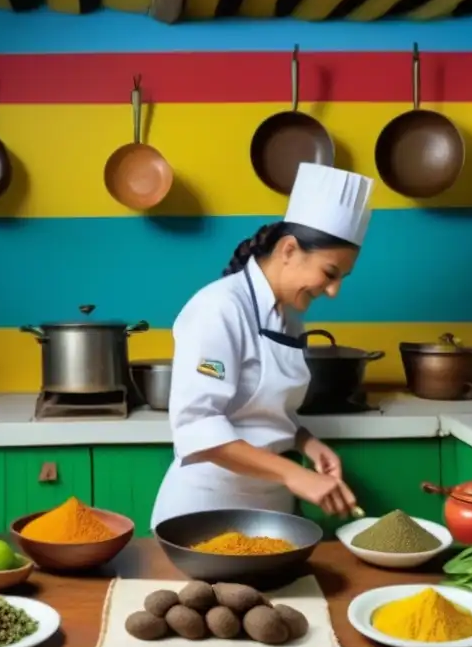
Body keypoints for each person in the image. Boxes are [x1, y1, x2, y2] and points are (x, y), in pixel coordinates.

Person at [151, 163, 373, 528]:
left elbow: (263, 411)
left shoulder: (289, 315)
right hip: (206, 511)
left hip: (272, 513)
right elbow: (197, 425)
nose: (333, 291)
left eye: (341, 279)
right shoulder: (218, 308)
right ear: (288, 249)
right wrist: (294, 474)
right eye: (330, 274)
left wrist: (306, 442)